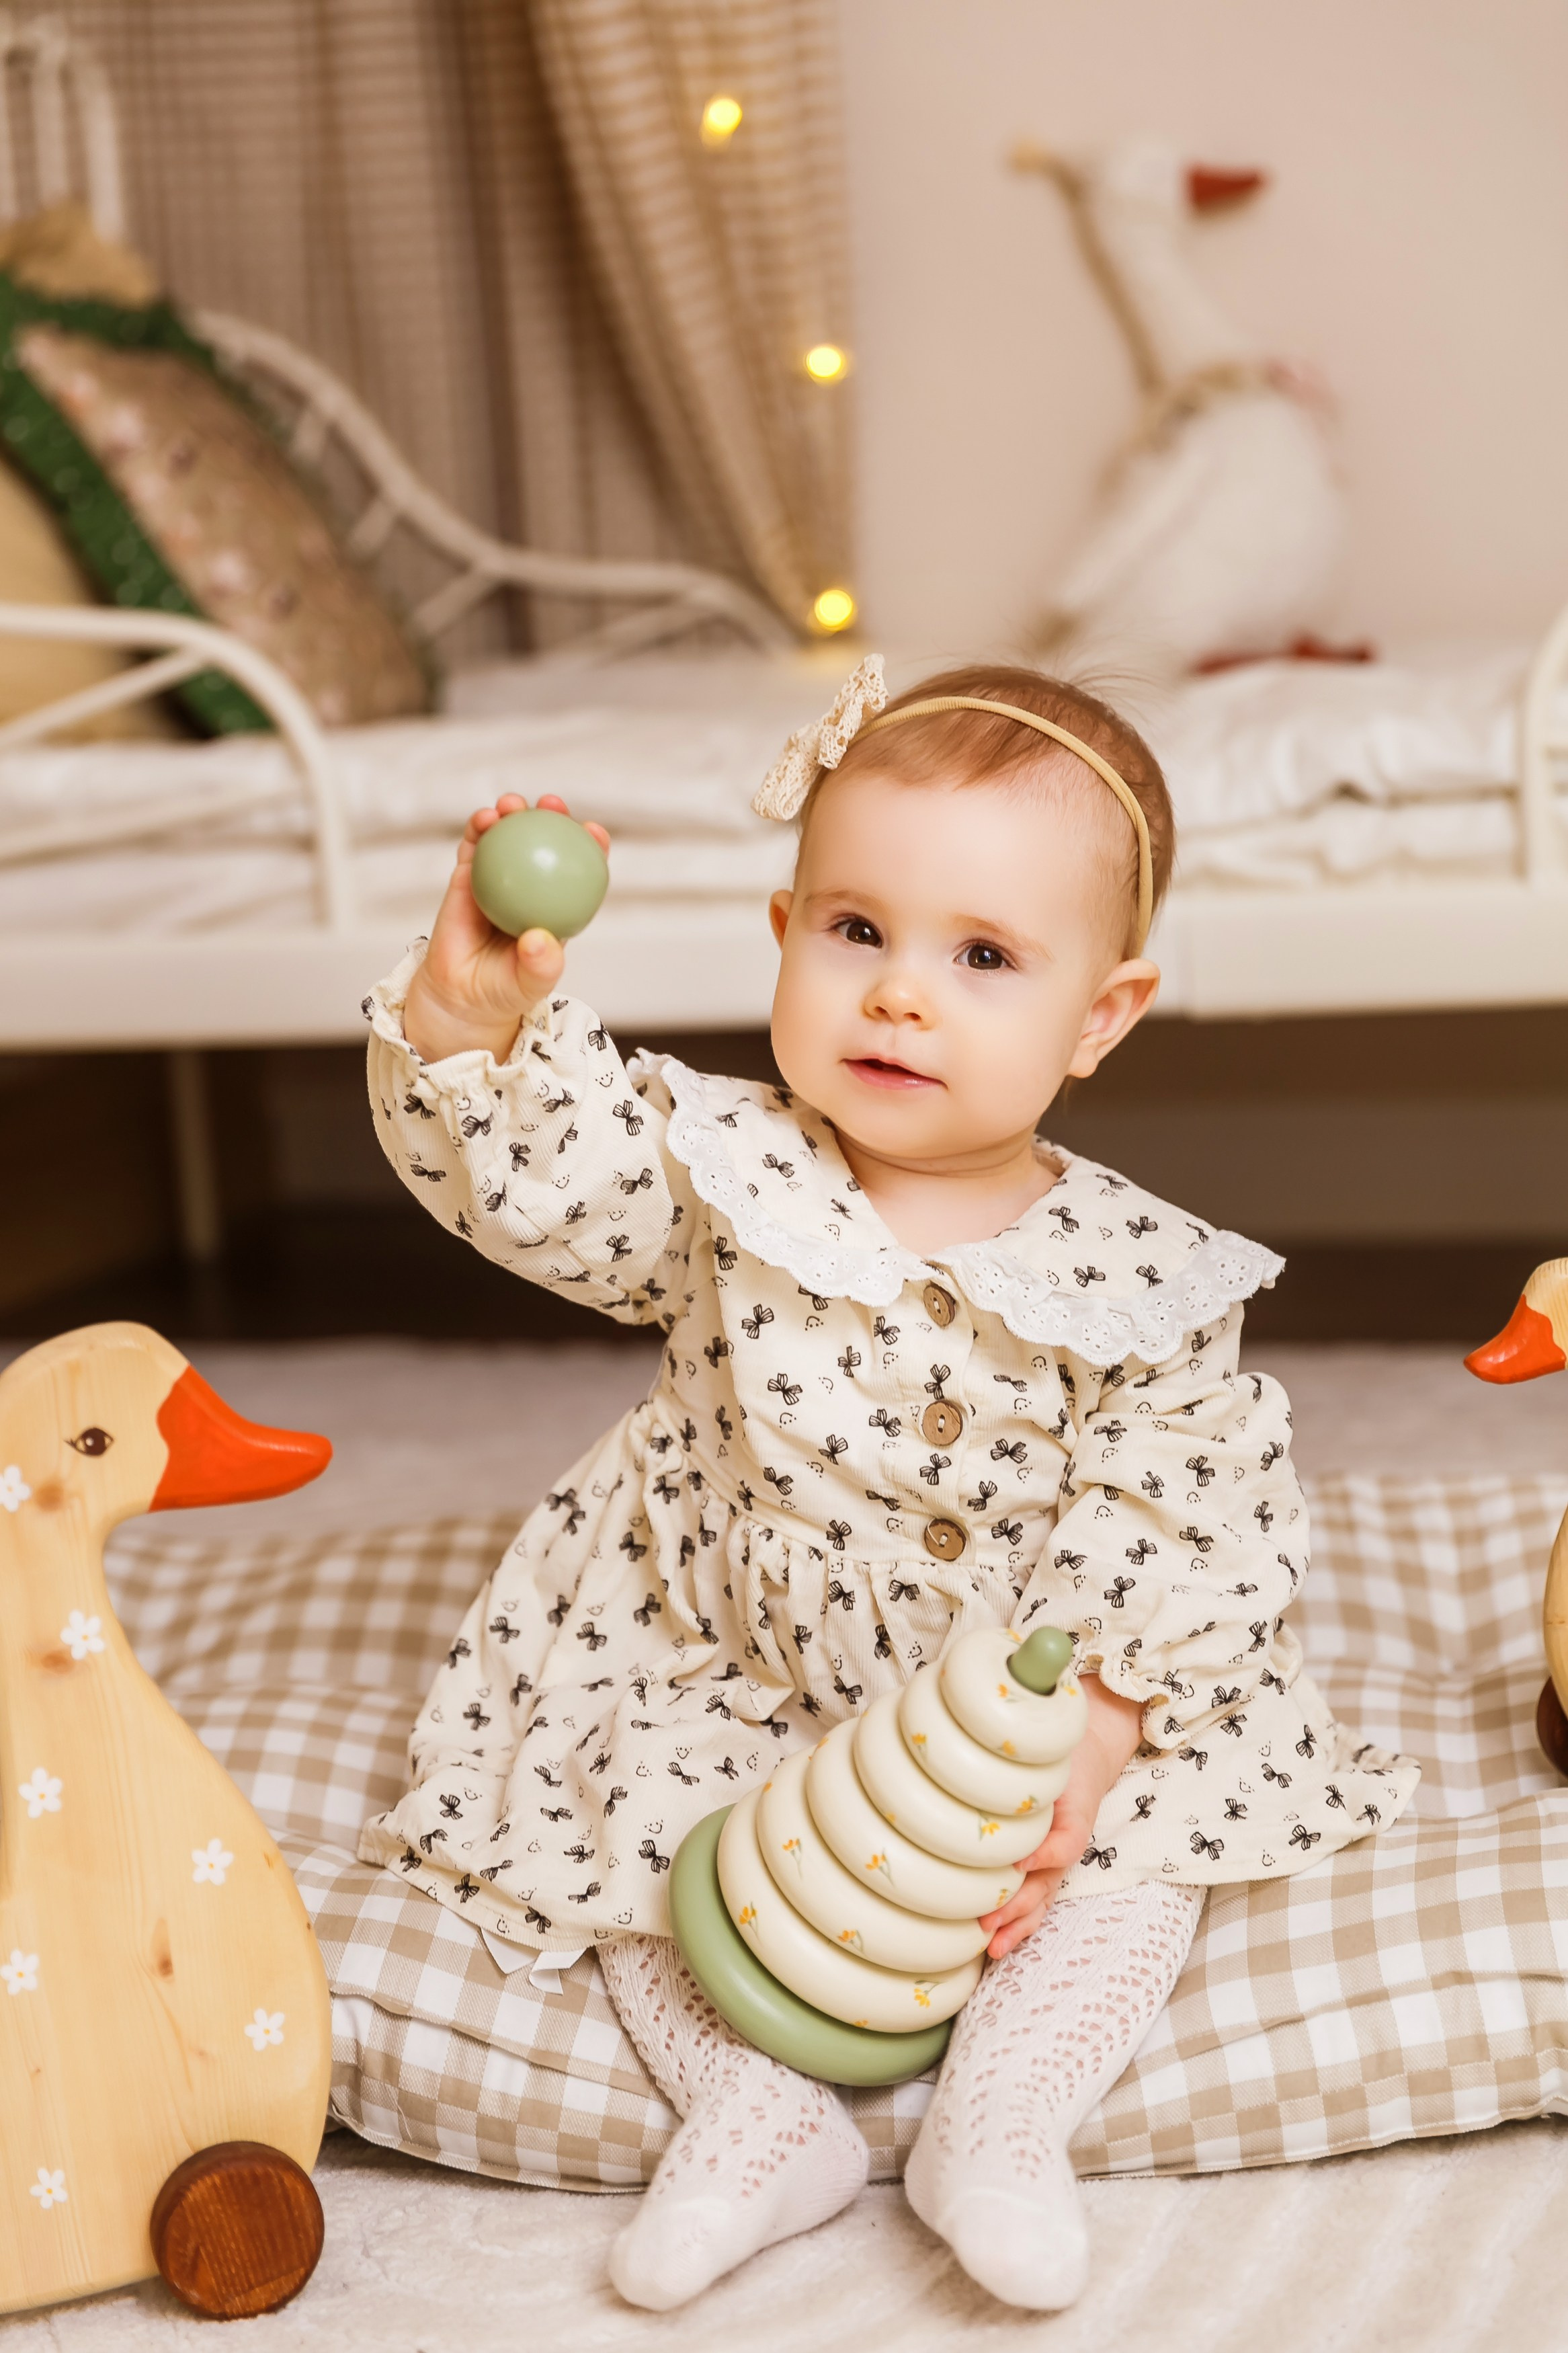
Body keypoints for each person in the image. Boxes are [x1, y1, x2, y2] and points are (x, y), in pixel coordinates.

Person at [358, 657, 1417, 2311]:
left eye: (983, 956)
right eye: (858, 931)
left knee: (1148, 1849)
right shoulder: (721, 1169)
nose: (901, 994)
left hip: (1020, 1695)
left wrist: (1089, 1743)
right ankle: (757, 2107)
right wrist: (470, 1023)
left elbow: (1180, 1509)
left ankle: (1003, 2115)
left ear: (1101, 1015)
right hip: (739, 1652)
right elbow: (548, 1190)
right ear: (783, 935)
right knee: (624, 1806)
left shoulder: (1135, 1275)